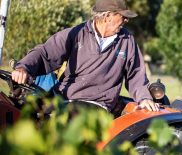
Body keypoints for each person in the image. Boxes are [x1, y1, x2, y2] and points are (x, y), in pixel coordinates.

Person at [11, 0, 159, 112]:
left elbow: (136, 75)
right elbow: (44, 53)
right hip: (65, 100)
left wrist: (144, 98)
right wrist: (23, 68)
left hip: (98, 106)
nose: (126, 20)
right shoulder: (76, 34)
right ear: (107, 16)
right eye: (123, 16)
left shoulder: (127, 40)